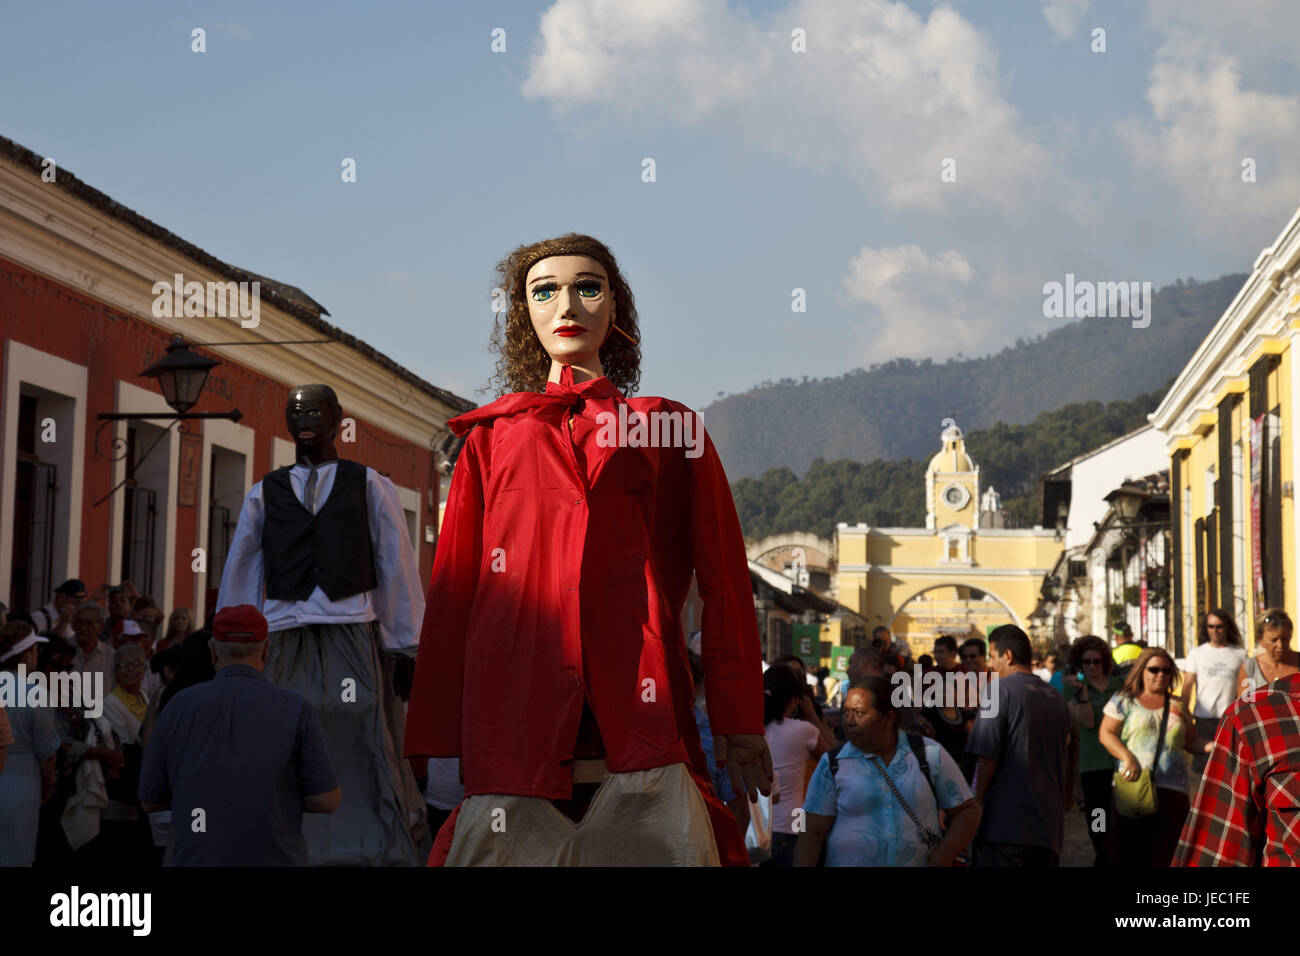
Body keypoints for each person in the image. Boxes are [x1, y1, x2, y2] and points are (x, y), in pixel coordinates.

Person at [405, 234, 770, 867]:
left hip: (639, 705)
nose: (566, 304)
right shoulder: (491, 440)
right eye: (544, 291)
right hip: (513, 712)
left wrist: (740, 718)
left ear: (615, 309)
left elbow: (724, 579)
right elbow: (455, 588)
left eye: (588, 287)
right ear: (525, 317)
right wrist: (435, 728)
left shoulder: (669, 430)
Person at [217, 382, 426, 866]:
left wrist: (405, 645)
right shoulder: (263, 493)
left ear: (337, 420)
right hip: (285, 633)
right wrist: (234, 644)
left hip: (350, 628)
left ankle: (375, 848)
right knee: (283, 738)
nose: (304, 419)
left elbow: (396, 563)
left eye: (315, 410)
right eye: (295, 412)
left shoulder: (370, 484)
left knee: (365, 739)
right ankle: (289, 846)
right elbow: (242, 568)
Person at [139, 605, 340, 865]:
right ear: (267, 649)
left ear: (212, 651)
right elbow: (327, 800)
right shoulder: (296, 707)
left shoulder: (179, 705)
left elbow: (150, 800)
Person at [794, 677, 980, 866]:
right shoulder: (833, 763)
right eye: (846, 712)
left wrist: (945, 853)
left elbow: (968, 811)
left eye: (859, 713)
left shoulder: (929, 753)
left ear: (888, 718)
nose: (848, 721)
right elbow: (811, 832)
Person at [966, 625, 1072, 867]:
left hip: (1006, 826)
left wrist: (976, 805)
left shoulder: (998, 691)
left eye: (992, 656)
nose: (990, 665)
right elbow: (1069, 750)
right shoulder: (1055, 697)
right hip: (1047, 827)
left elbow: (986, 754)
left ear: (1008, 656)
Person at [1173, 669, 1300, 866]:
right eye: (1154, 670)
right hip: (1211, 728)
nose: (1160, 675)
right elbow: (1221, 852)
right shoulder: (1253, 717)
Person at [1099, 647, 1211, 867]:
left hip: (1172, 790)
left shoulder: (1178, 706)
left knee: (1168, 853)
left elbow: (1192, 742)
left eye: (1166, 671)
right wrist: (1126, 756)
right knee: (1128, 852)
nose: (1160, 675)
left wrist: (1215, 746)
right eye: (1154, 669)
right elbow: (1106, 733)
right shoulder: (1124, 700)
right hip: (1133, 788)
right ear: (1142, 671)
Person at [762, 664, 836, 866]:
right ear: (793, 700)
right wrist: (812, 714)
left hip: (757, 827)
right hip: (793, 824)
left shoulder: (753, 730)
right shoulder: (803, 731)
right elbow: (834, 759)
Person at [0, 626, 60, 866]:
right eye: (35, 650)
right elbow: (48, 754)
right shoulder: (34, 693)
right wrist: (47, 786)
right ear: (26, 655)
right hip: (22, 783)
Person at [1062, 635, 1121, 865]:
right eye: (1087, 662)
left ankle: (1112, 855)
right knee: (1098, 816)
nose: (1092, 666)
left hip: (1120, 763)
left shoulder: (1118, 687)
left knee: (1118, 817)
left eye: (1097, 661)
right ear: (1079, 664)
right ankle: (1101, 851)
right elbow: (1086, 722)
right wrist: (1083, 694)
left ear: (1104, 661)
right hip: (1093, 765)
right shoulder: (1072, 690)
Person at [1182, 608, 1247, 772]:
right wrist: (1184, 713)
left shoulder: (1240, 654)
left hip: (1229, 720)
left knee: (1228, 767)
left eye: (1219, 626)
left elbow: (1244, 687)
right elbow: (1188, 685)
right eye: (1211, 626)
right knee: (1203, 769)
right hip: (1203, 720)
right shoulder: (1197, 653)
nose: (1215, 630)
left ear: (1227, 628)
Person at [1236, 608, 1298, 695]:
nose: (1280, 645)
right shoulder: (1250, 667)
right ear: (1260, 639)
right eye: (1273, 640)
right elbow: (1243, 705)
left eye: (1284, 639)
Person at [70, 602, 114, 692]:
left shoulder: (111, 656)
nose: (82, 628)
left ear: (101, 627)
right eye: (80, 622)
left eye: (89, 623)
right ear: (73, 625)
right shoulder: (62, 649)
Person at [30, 579, 85, 643]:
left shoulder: (71, 617)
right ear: (61, 597)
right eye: (75, 602)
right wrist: (64, 622)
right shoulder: (39, 617)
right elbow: (45, 645)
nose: (76, 608)